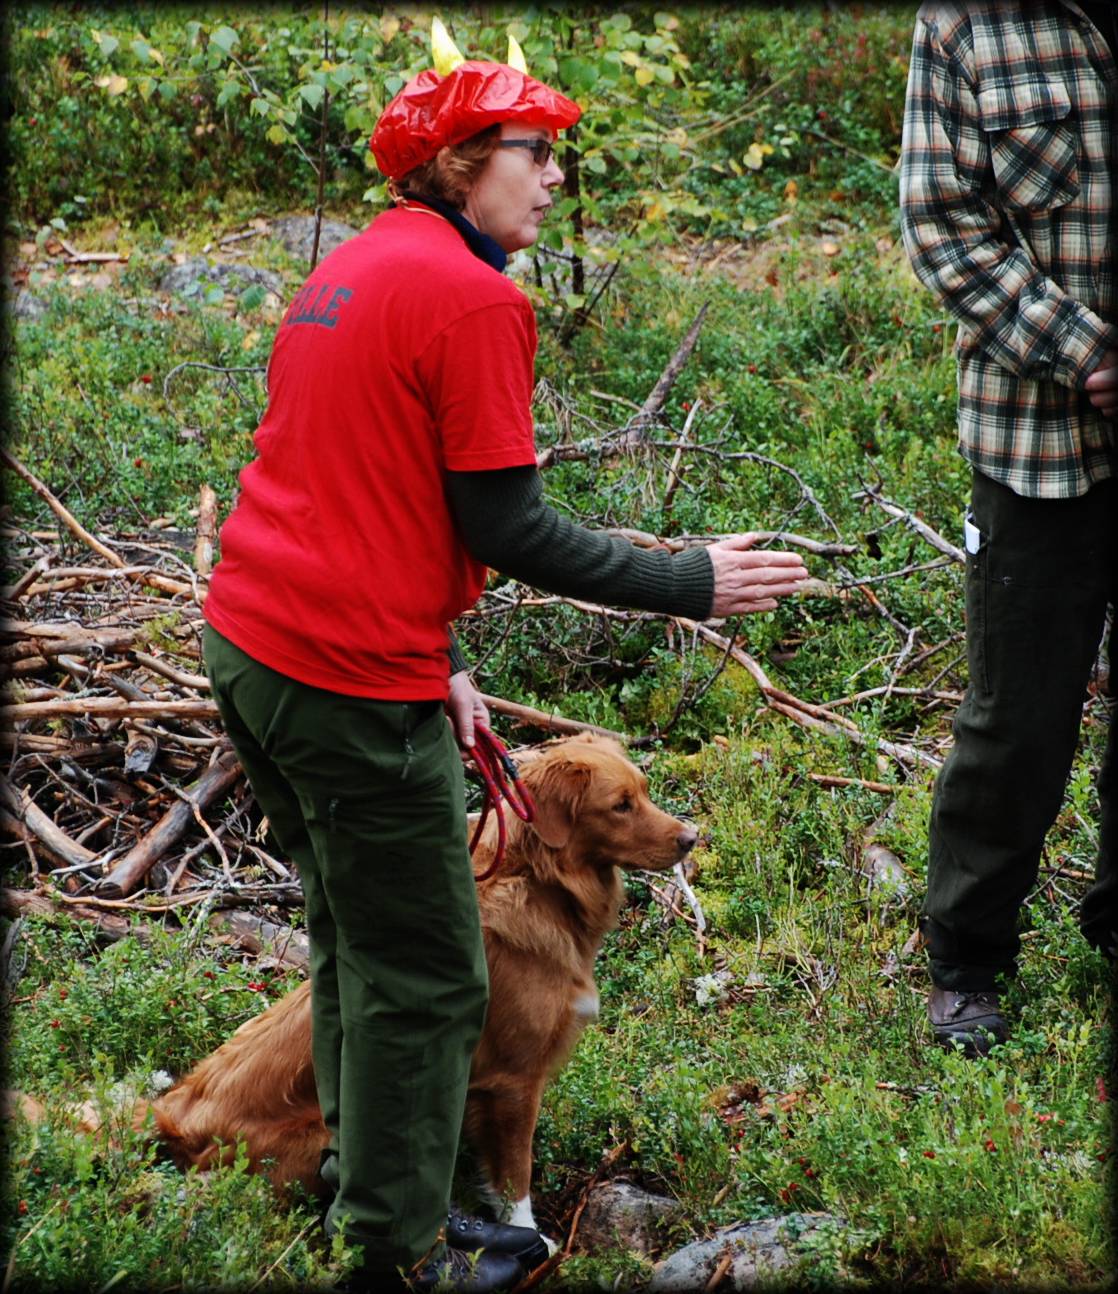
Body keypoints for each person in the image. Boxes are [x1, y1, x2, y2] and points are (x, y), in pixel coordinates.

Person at [201, 19, 809, 1292]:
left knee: (352, 941)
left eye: (550, 155)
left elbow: (350, 483)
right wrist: (685, 577)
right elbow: (506, 522)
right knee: (427, 975)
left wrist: (435, 648)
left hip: (256, 647)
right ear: (457, 164)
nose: (549, 177)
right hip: (342, 680)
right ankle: (397, 1251)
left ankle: (370, 1184)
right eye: (526, 151)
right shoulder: (474, 296)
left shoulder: (361, 263)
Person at [899, 1, 1118, 1057]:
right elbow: (942, 224)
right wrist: (1086, 354)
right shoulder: (965, 24)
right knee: (1015, 718)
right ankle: (967, 958)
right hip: (1036, 443)